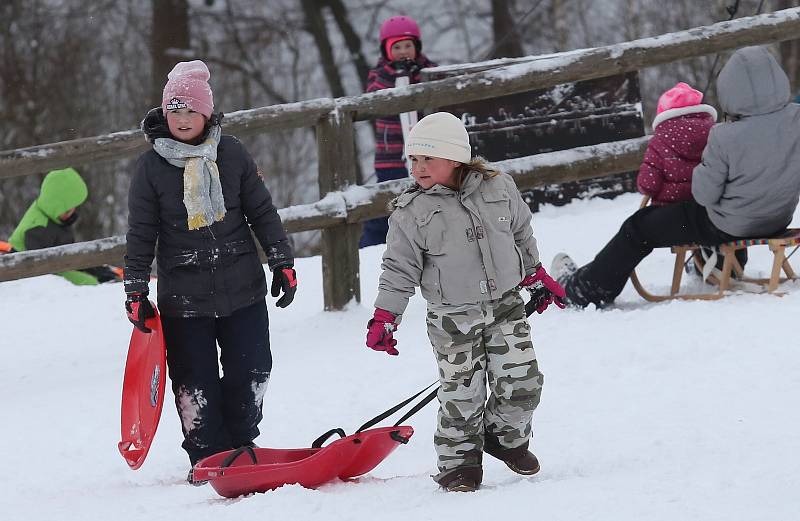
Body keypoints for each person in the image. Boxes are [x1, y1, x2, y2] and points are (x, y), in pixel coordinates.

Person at [365, 112, 565, 492]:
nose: (418, 168)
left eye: (428, 159)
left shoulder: (499, 187)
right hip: (452, 317)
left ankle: (504, 438)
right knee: (462, 394)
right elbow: (398, 269)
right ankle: (458, 464)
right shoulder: (412, 212)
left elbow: (520, 232)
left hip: (506, 304)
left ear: (455, 158)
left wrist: (536, 274)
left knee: (524, 382)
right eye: (413, 160)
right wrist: (385, 316)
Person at [123, 60, 296, 484]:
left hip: (244, 289)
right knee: (194, 381)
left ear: (207, 114)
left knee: (252, 369)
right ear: (165, 114)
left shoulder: (232, 153)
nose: (182, 119)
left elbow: (261, 211)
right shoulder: (151, 168)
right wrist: (135, 288)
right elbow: (141, 233)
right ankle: (208, 455)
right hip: (185, 299)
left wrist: (282, 260)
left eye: (190, 110)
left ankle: (241, 443)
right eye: (174, 110)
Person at [552, 46, 800, 308]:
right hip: (777, 219)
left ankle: (585, 290)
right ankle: (713, 265)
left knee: (638, 227)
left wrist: (703, 168)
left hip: (726, 226)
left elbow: (705, 194)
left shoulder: (724, 136)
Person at [359, 15, 437, 248]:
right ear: (386, 50)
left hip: (426, 154)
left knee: (428, 198)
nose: (404, 52)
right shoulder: (379, 74)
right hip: (391, 157)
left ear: (417, 47)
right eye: (397, 47)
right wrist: (397, 74)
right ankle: (371, 247)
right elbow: (375, 93)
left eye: (408, 46)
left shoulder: (426, 69)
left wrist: (415, 74)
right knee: (387, 203)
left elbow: (437, 84)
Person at [7, 167, 121, 284]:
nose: (72, 212)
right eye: (67, 210)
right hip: (24, 270)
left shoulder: (52, 213)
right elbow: (45, 271)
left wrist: (94, 268)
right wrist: (91, 280)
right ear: (56, 206)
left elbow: (67, 252)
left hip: (55, 262)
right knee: (88, 282)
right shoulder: (38, 229)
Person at [637, 82, 717, 206]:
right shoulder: (715, 134)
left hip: (670, 211)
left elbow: (648, 184)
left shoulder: (659, 142)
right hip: (709, 208)